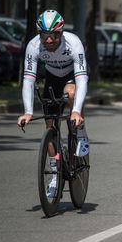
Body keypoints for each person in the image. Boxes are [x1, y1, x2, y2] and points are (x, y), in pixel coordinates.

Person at [17, 10, 89, 197]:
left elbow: (82, 79)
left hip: (71, 75)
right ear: (39, 34)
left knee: (70, 92)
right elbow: (28, 79)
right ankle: (55, 174)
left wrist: (76, 111)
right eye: (45, 36)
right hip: (52, 77)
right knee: (50, 128)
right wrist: (28, 111)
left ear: (61, 32)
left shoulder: (73, 43)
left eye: (54, 35)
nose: (49, 40)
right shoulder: (33, 46)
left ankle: (80, 132)